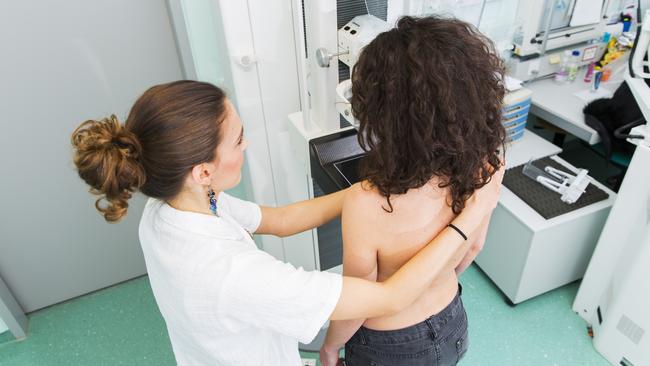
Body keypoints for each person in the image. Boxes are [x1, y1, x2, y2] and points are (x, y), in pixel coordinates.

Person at [70, 79, 503, 365]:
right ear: (202, 171)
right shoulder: (231, 275)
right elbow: (389, 297)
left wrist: (364, 190)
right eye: (238, 139)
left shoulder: (169, 206)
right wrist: (473, 216)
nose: (247, 144)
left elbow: (278, 220)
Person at [321, 16, 506, 366]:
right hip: (452, 319)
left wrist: (330, 349)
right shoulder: (483, 165)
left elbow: (358, 304)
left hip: (389, 345)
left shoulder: (369, 202)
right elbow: (474, 246)